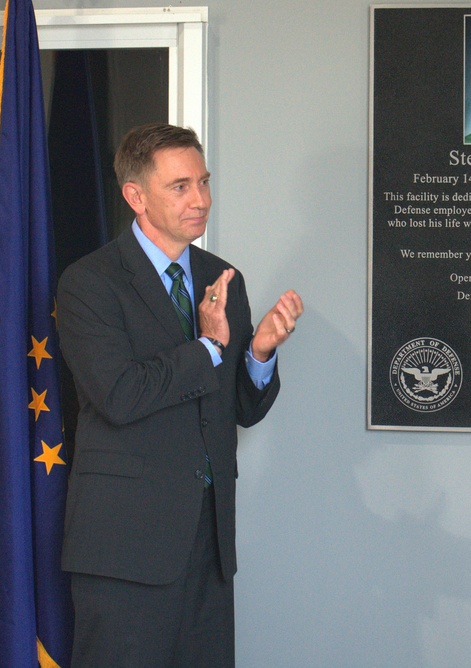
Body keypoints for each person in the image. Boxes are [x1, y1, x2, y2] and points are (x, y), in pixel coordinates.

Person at [57, 123, 303, 666]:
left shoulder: (221, 277)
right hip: (126, 547)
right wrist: (211, 347)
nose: (200, 200)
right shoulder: (89, 283)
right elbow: (119, 395)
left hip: (209, 543)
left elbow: (238, 408)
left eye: (204, 182)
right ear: (135, 196)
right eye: (180, 187)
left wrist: (258, 354)